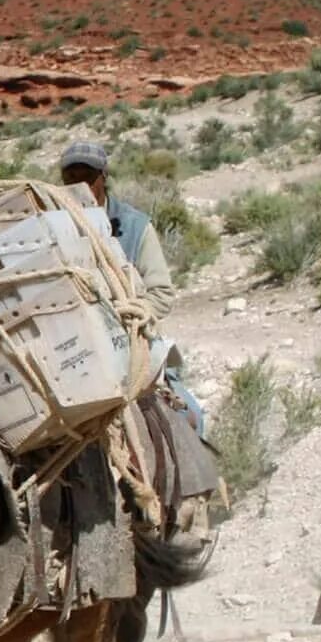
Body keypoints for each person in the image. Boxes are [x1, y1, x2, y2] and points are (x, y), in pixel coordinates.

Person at [59, 140, 203, 432]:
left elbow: (161, 295)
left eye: (87, 177)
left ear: (103, 178)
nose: (79, 185)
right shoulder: (52, 228)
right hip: (75, 352)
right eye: (70, 178)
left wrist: (127, 315)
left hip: (132, 348)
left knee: (191, 421)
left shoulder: (134, 227)